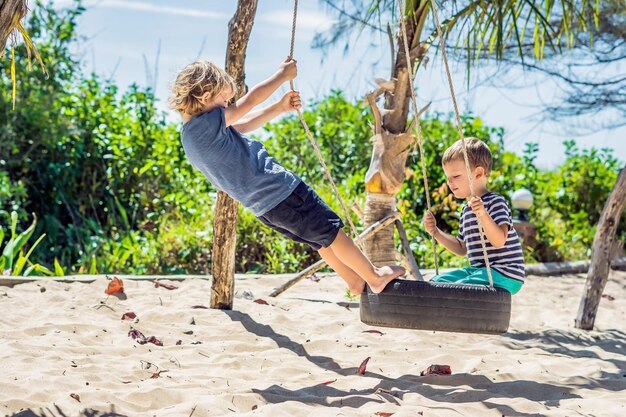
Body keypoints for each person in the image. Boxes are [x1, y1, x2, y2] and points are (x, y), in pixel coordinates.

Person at [168, 58, 405, 295]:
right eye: (224, 101)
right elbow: (248, 103)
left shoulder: (191, 137)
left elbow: (245, 124)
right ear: (205, 96)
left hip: (265, 210)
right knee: (330, 230)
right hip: (280, 191)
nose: (228, 106)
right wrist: (282, 75)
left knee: (319, 239)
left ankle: (353, 281)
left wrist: (278, 108)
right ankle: (373, 276)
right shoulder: (206, 126)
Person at [422, 138, 524, 294]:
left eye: (456, 176)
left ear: (478, 173)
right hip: (480, 271)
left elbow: (499, 241)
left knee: (460, 287)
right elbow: (462, 249)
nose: (450, 183)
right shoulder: (466, 210)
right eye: (448, 178)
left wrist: (482, 214)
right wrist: (435, 232)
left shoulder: (495, 202)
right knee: (437, 282)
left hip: (506, 273)